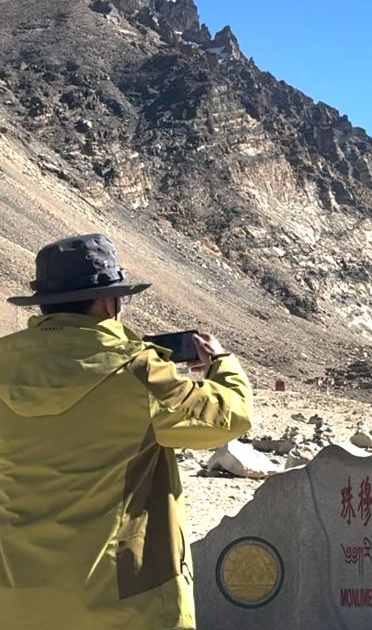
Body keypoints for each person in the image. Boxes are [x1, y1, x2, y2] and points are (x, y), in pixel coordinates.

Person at [0, 234, 253, 629]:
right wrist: (221, 364)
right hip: (128, 607)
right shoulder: (140, 371)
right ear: (108, 302)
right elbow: (228, 417)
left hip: (18, 603)